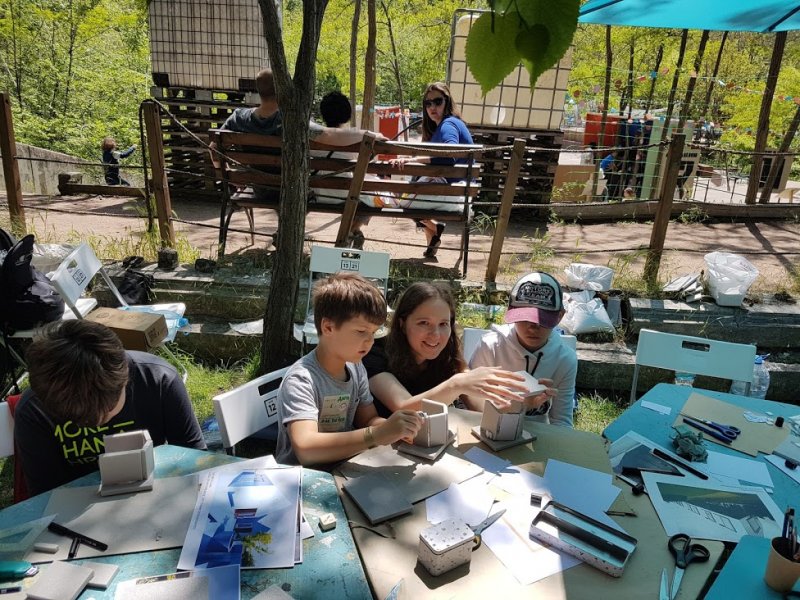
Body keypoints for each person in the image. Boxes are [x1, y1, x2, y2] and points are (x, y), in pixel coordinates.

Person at [14, 320, 206, 496]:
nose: (95, 423)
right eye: (78, 418)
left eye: (107, 411)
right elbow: (45, 496)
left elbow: (195, 461)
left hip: (155, 497)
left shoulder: (159, 380)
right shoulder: (34, 410)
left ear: (125, 379)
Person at [275, 273, 422, 465]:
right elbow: (306, 449)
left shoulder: (355, 367)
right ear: (328, 327)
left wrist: (394, 429)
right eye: (361, 331)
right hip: (303, 480)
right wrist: (377, 435)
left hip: (343, 466)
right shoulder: (302, 380)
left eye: (373, 332)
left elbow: (367, 420)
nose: (369, 341)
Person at [364, 281, 543, 415]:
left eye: (443, 324)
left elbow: (480, 409)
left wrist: (522, 401)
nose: (435, 335)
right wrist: (457, 384)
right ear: (402, 324)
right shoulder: (375, 354)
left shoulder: (448, 354)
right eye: (424, 323)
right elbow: (403, 406)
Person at [469, 272, 577, 427]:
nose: (533, 327)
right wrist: (521, 404)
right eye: (525, 318)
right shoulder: (490, 346)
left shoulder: (565, 359)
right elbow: (472, 408)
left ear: (560, 316)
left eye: (543, 320)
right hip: (491, 429)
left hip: (539, 437)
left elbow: (562, 421)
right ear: (510, 311)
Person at [392, 82, 474, 258]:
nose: (432, 107)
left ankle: (435, 228)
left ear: (447, 101)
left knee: (398, 200)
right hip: (459, 191)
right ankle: (432, 240)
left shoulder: (448, 124)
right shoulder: (449, 125)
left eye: (437, 101)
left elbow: (448, 155)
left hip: (451, 193)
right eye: (428, 103)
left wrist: (411, 159)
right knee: (413, 188)